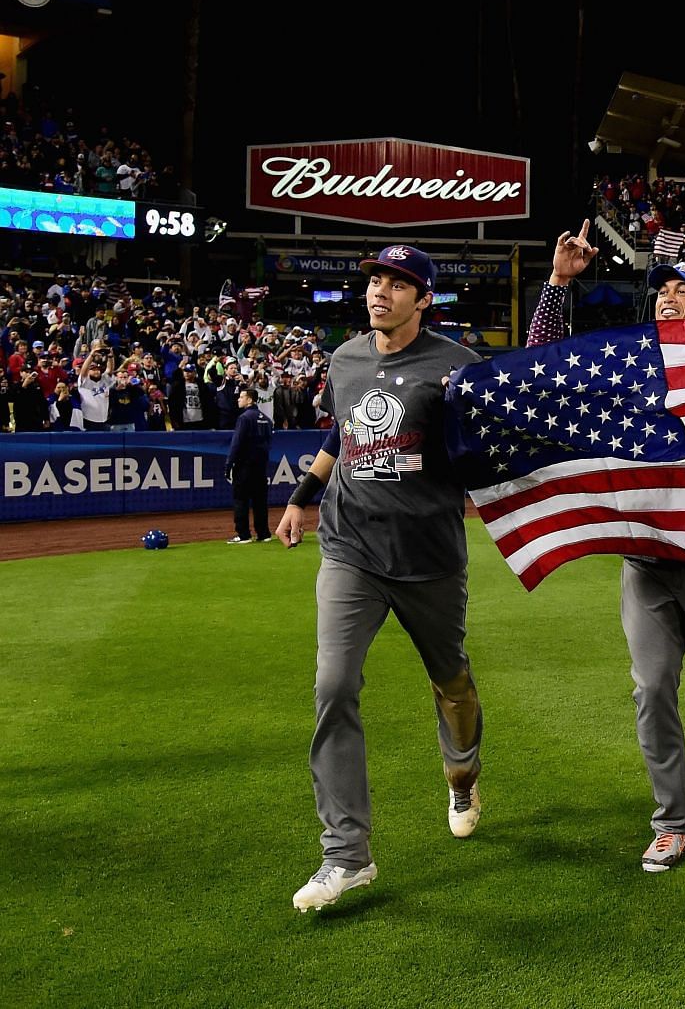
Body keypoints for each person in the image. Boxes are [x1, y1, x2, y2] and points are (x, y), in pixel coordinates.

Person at [525, 225, 685, 876]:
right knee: (651, 688)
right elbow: (542, 373)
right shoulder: (629, 364)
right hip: (647, 561)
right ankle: (672, 822)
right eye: (662, 290)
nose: (667, 298)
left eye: (684, 291)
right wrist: (559, 284)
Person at [273, 244, 484, 913]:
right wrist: (301, 498)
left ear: (424, 299)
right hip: (350, 550)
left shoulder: (459, 367)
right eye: (375, 279)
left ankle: (462, 773)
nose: (380, 291)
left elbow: (491, 446)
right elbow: (340, 434)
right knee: (333, 685)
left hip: (428, 558)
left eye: (398, 283)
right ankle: (347, 855)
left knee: (450, 679)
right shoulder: (346, 358)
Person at [226, 386, 273, 543]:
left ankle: (244, 535)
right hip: (260, 467)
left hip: (244, 466)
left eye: (241, 396)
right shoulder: (266, 419)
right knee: (260, 501)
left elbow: (236, 444)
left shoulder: (244, 418)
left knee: (241, 500)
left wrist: (229, 465)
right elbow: (268, 444)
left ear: (250, 400)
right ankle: (264, 533)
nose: (239, 399)